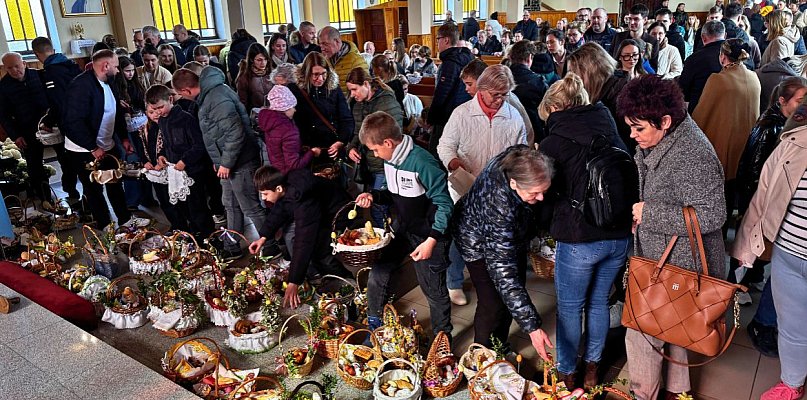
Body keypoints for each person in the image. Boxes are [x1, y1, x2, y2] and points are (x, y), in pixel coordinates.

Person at [617, 74, 726, 400]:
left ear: (665, 121)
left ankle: (643, 396)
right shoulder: (670, 137)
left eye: (639, 128)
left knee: (642, 334)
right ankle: (679, 392)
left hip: (677, 264)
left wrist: (648, 214)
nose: (633, 136)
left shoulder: (693, 154)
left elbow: (713, 215)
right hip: (670, 259)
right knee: (677, 327)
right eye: (630, 127)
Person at [538, 73, 633, 391]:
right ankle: (592, 368)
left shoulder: (553, 143)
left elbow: (545, 195)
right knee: (597, 304)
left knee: (569, 307)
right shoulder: (611, 127)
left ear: (555, 108)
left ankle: (566, 372)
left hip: (578, 239)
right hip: (617, 236)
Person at [732, 91, 807, 400]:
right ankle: (791, 382)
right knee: (791, 326)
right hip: (789, 254)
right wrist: (746, 252)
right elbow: (763, 197)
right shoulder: (793, 140)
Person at [355, 111, 454, 339]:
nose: (375, 154)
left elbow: (445, 204)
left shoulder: (423, 162)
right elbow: (393, 193)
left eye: (375, 149)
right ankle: (375, 325)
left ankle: (442, 339)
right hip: (403, 228)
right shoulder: (390, 161)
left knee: (433, 290)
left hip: (430, 234)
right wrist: (374, 197)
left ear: (388, 142)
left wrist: (432, 240)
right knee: (379, 271)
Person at [452, 144, 554, 359]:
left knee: (510, 297)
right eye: (535, 193)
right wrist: (532, 327)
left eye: (544, 191)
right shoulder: (499, 205)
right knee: (492, 302)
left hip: (510, 236)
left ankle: (499, 346)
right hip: (475, 241)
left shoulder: (521, 158)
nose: (541, 198)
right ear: (513, 183)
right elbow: (504, 273)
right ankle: (482, 358)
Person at [172, 67, 267, 260]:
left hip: (241, 161)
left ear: (186, 91)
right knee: (230, 205)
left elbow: (235, 133)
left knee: (250, 207)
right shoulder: (209, 96)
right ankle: (231, 246)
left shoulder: (215, 98)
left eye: (179, 95)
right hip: (228, 162)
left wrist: (226, 162)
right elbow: (217, 134)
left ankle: (272, 245)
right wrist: (219, 161)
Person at [731, 77, 807, 310]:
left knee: (761, 245)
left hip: (765, 196)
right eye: (800, 100)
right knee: (749, 244)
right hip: (756, 195)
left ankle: (751, 279)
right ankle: (736, 288)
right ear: (783, 101)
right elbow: (756, 167)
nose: (803, 106)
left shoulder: (784, 126)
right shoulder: (770, 127)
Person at [248, 166, 354, 308]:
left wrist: (294, 281)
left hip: (338, 215)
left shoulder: (304, 199)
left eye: (265, 194)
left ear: (278, 189)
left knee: (321, 250)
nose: (263, 198)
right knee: (293, 236)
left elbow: (304, 240)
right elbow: (279, 211)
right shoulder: (286, 189)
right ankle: (317, 275)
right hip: (323, 212)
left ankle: (346, 281)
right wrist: (263, 237)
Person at [693, 39, 761, 235]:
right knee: (732, 195)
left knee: (720, 195)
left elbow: (701, 115)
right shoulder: (753, 77)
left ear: (723, 56)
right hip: (747, 148)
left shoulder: (718, 80)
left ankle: (716, 234)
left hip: (723, 148)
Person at [61, 50, 134, 228]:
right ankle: (106, 226)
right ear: (105, 66)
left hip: (107, 144)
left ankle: (125, 221)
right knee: (94, 189)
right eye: (116, 67)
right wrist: (92, 147)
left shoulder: (110, 82)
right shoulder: (80, 86)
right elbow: (72, 122)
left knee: (115, 182)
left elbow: (115, 112)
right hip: (83, 149)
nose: (118, 71)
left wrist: (123, 137)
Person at [146, 84, 214, 239]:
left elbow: (199, 145)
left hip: (192, 171)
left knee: (198, 207)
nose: (157, 113)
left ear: (170, 99)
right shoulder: (162, 121)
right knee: (183, 206)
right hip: (174, 170)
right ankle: (194, 236)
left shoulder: (186, 119)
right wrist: (162, 156)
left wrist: (184, 160)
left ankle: (208, 238)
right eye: (154, 109)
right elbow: (166, 144)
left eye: (160, 107)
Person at [345, 68, 404, 226]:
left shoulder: (387, 102)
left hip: (384, 164)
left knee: (379, 209)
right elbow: (358, 132)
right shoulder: (358, 105)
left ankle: (384, 244)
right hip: (369, 164)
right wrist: (351, 147)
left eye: (354, 89)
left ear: (366, 84)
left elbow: (395, 136)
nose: (352, 94)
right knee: (375, 206)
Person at [31, 36, 82, 201]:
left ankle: (73, 193)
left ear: (37, 54)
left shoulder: (52, 71)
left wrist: (49, 121)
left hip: (69, 123)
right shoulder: (70, 64)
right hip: (82, 119)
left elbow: (59, 101)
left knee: (69, 160)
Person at [289, 52, 353, 174]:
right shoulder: (295, 90)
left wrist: (341, 141)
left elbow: (346, 118)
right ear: (307, 73)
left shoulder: (333, 88)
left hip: (332, 148)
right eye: (315, 75)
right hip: (307, 152)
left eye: (324, 74)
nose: (320, 79)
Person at [0, 52, 52, 201]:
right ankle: (44, 198)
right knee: (34, 166)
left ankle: (72, 193)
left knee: (65, 159)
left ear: (24, 63)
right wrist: (15, 135)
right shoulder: (3, 86)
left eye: (17, 66)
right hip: (26, 130)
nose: (15, 70)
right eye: (10, 68)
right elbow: (3, 115)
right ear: (5, 69)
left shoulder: (40, 75)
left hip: (49, 125)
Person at [567, 42, 633, 151]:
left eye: (576, 73)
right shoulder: (605, 92)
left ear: (593, 71)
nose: (574, 80)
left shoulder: (621, 97)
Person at [427, 22, 474, 153]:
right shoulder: (466, 58)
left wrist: (431, 118)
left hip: (447, 116)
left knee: (438, 152)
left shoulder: (450, 63)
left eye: (438, 39)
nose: (437, 43)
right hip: (463, 114)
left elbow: (442, 93)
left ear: (446, 40)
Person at [259, 84, 317, 174]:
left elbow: (281, 152)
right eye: (292, 106)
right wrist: (312, 153)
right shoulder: (289, 130)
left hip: (278, 172)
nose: (295, 110)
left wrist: (299, 149)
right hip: (290, 175)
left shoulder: (271, 123)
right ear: (284, 108)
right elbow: (294, 165)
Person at [679, 20, 725, 113]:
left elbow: (683, 89)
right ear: (725, 35)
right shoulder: (735, 55)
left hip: (700, 109)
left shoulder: (694, 59)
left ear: (703, 38)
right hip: (728, 109)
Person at [509, 41, 548, 143]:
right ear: (530, 57)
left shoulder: (502, 77)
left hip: (506, 129)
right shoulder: (538, 81)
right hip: (533, 131)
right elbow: (546, 110)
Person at [318, 26, 369, 97]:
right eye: (320, 44)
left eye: (325, 44)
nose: (322, 48)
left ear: (337, 41)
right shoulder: (324, 59)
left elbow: (364, 89)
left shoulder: (355, 60)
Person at [611, 4, 659, 70]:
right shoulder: (618, 37)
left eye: (636, 19)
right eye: (630, 19)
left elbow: (653, 68)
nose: (632, 22)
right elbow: (612, 60)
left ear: (645, 20)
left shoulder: (653, 41)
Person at [235, 43, 273, 112]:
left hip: (273, 112)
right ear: (251, 60)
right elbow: (242, 102)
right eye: (259, 60)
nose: (263, 63)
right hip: (256, 114)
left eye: (265, 59)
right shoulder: (244, 77)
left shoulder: (271, 73)